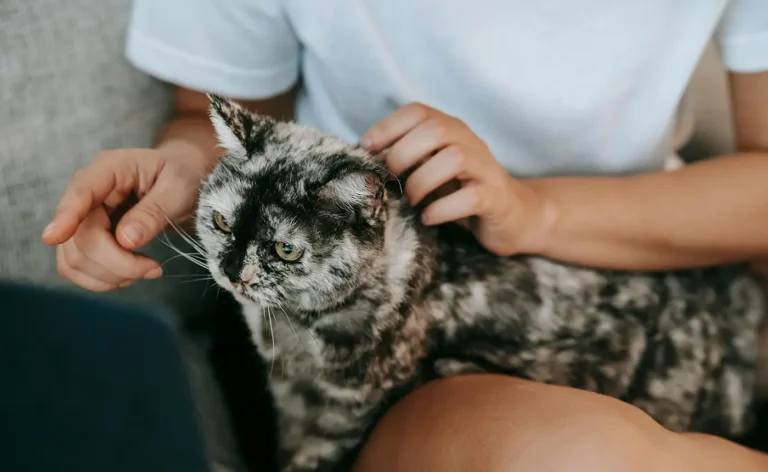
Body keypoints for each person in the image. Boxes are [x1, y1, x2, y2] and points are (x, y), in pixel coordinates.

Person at [42, 0, 768, 470]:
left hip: (659, 281)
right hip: (394, 349)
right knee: (571, 457)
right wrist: (173, 175)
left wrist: (536, 210)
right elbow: (212, 122)